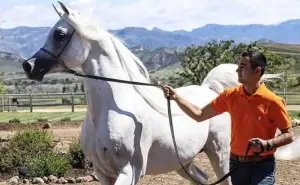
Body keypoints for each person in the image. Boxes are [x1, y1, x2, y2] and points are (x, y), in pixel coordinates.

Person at [161, 50, 294, 185]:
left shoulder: (273, 101)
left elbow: (289, 135)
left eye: (243, 67)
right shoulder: (230, 96)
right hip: (237, 166)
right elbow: (199, 115)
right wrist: (176, 97)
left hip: (262, 167)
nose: (237, 70)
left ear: (257, 71)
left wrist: (268, 144)